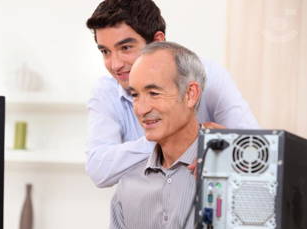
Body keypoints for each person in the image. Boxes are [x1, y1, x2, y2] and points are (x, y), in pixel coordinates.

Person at [53, 41, 205, 229]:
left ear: (190, 94)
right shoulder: (130, 180)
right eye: (135, 95)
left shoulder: (231, 175)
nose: (141, 109)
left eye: (153, 93)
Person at [85, 0, 259, 188]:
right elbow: (99, 170)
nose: (115, 64)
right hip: (144, 208)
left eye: (126, 48)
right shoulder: (106, 91)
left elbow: (256, 150)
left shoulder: (210, 77)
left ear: (158, 41)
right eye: (105, 51)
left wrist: (229, 145)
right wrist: (175, 137)